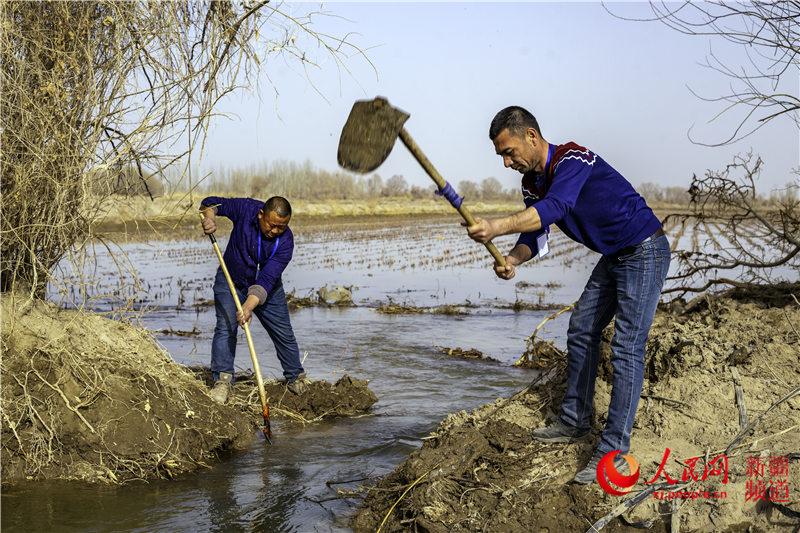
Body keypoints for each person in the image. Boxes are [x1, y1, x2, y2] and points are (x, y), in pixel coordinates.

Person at [465, 106, 670, 484]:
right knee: (580, 329)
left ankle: (613, 452)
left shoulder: (572, 158)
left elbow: (556, 208)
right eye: (501, 156)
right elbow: (535, 233)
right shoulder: (531, 183)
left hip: (643, 249)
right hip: (615, 256)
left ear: (531, 135)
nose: (507, 162)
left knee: (626, 346)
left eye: (509, 152)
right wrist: (512, 258)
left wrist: (496, 226)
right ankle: (574, 421)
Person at [200, 195, 305, 403]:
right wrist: (210, 218)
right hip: (231, 279)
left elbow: (267, 279)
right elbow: (209, 204)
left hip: (267, 289)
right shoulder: (246, 208)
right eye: (272, 225)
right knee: (226, 327)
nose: (275, 231)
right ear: (261, 215)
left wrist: (248, 306)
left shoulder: (285, 241)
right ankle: (223, 381)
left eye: (282, 227)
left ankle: (296, 378)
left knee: (283, 331)